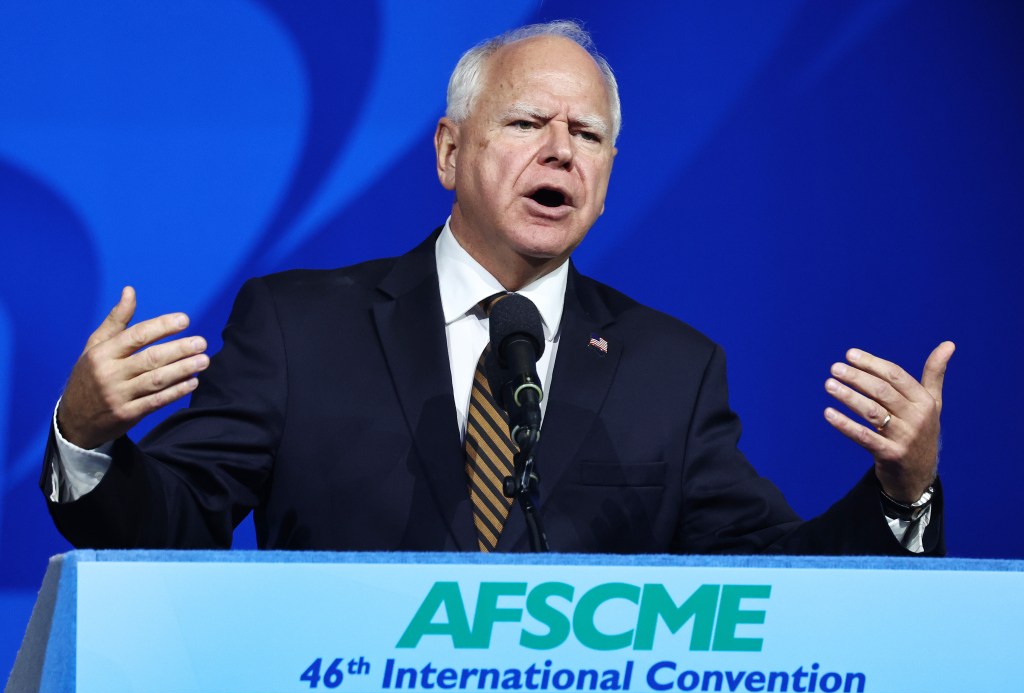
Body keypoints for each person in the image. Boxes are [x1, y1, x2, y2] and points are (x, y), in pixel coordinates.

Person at [43, 21, 954, 555]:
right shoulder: (299, 327)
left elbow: (774, 583)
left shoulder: (671, 370)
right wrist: (86, 439)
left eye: (587, 136)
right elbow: (168, 521)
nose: (560, 150)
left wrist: (900, 495)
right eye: (526, 122)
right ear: (448, 151)